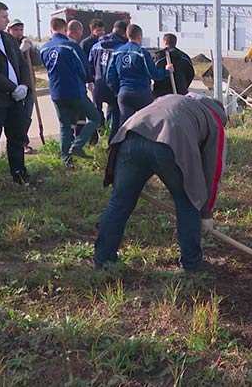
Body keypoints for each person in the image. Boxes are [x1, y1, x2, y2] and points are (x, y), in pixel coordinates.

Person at [94, 93, 228, 271]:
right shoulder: (215, 121)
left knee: (119, 202)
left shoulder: (172, 99)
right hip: (170, 141)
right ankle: (192, 265)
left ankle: (103, 259)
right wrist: (205, 212)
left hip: (130, 135)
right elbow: (213, 169)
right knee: (187, 203)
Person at [0, 0, 32, 188]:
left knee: (17, 137)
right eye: (3, 16)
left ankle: (19, 173)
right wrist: (12, 87)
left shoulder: (8, 38)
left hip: (16, 99)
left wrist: (24, 86)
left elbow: (21, 64)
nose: (7, 20)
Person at [40, 17, 100, 167]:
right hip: (74, 91)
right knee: (95, 118)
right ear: (64, 28)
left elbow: (47, 68)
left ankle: (66, 160)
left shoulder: (44, 48)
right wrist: (88, 80)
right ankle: (77, 146)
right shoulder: (70, 46)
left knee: (64, 126)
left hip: (56, 92)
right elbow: (83, 68)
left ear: (51, 28)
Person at [106, 24, 172, 126]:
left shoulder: (117, 52)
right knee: (148, 123)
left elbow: (110, 77)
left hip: (124, 93)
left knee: (125, 125)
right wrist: (166, 71)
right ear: (140, 36)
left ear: (127, 35)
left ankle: (124, 141)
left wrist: (118, 91)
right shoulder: (142, 52)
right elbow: (153, 74)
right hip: (142, 93)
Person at [89, 20, 128, 140]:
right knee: (115, 111)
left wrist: (91, 80)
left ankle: (101, 133)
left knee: (97, 110)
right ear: (124, 32)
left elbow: (90, 64)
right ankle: (112, 140)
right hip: (113, 85)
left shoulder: (96, 45)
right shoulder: (122, 48)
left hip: (98, 84)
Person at [6, 19, 37, 154]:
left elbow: (37, 61)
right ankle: (20, 145)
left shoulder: (26, 42)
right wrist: (20, 50)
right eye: (15, 29)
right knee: (17, 120)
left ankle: (24, 142)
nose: (18, 33)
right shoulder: (6, 43)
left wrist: (32, 48)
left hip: (28, 87)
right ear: (9, 30)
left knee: (26, 118)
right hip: (14, 89)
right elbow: (10, 63)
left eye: (20, 29)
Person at [152, 33, 195, 97]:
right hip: (180, 92)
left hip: (161, 93)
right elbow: (190, 75)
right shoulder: (185, 57)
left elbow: (152, 73)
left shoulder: (158, 57)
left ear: (165, 42)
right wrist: (183, 86)